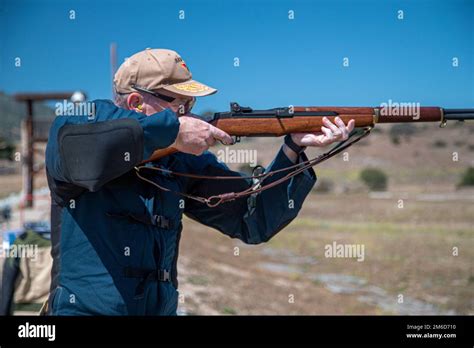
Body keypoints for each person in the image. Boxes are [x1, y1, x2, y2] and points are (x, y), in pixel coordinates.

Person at [45, 48, 354, 315]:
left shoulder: (179, 159)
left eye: (190, 107)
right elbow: (83, 156)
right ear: (137, 102)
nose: (189, 116)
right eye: (180, 105)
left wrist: (294, 148)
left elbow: (253, 218)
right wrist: (172, 131)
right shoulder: (84, 121)